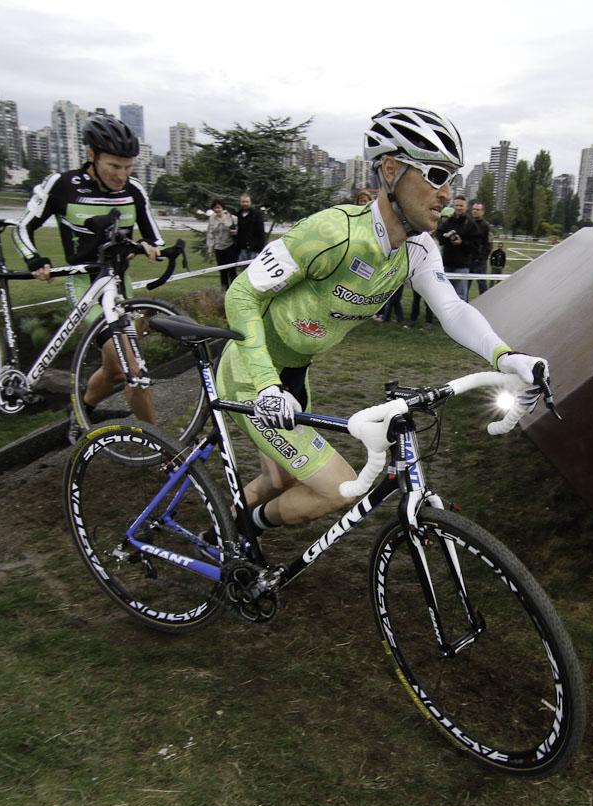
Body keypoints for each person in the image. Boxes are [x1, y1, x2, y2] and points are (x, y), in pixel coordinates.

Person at [216, 106, 548, 533]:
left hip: (295, 371)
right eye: (435, 174)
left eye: (452, 179)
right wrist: (265, 385)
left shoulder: (419, 249)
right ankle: (245, 532)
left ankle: (221, 534)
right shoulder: (332, 233)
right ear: (390, 169)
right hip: (252, 370)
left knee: (281, 477)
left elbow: (451, 308)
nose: (447, 193)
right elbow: (243, 292)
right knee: (337, 490)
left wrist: (506, 357)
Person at [11, 115, 165, 441]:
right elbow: (23, 228)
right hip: (85, 287)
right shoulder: (63, 185)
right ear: (91, 154)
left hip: (121, 289)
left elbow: (154, 237)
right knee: (132, 370)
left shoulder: (134, 190)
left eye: (128, 167)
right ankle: (163, 444)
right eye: (114, 167)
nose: (122, 175)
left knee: (112, 372)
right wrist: (35, 259)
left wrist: (151, 248)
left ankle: (80, 411)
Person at [436, 195, 477, 301]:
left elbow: (476, 247)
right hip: (446, 264)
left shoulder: (471, 225)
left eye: (461, 206)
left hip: (462, 266)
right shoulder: (448, 222)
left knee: (460, 297)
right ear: (453, 206)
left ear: (466, 207)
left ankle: (461, 317)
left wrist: (462, 242)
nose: (459, 208)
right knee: (444, 296)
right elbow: (440, 238)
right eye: (457, 205)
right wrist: (446, 236)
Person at [206, 199, 238, 290]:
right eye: (215, 208)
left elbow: (238, 232)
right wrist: (210, 249)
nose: (217, 210)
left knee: (232, 271)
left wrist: (232, 230)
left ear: (222, 208)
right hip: (218, 248)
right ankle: (224, 291)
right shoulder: (212, 218)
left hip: (230, 247)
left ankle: (234, 290)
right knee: (222, 272)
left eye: (218, 207)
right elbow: (210, 234)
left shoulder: (232, 218)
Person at [467, 202, 492, 295]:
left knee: (482, 285)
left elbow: (488, 244)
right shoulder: (468, 223)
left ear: (483, 212)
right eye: (473, 209)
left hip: (480, 261)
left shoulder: (486, 226)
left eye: (477, 210)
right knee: (465, 285)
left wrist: (482, 257)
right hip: (468, 260)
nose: (475, 211)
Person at [234, 193, 266, 264]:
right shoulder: (237, 215)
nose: (245, 203)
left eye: (247, 202)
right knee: (243, 271)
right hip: (242, 250)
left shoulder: (257, 215)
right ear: (240, 202)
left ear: (250, 202)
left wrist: (260, 250)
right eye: (243, 202)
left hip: (254, 250)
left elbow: (261, 234)